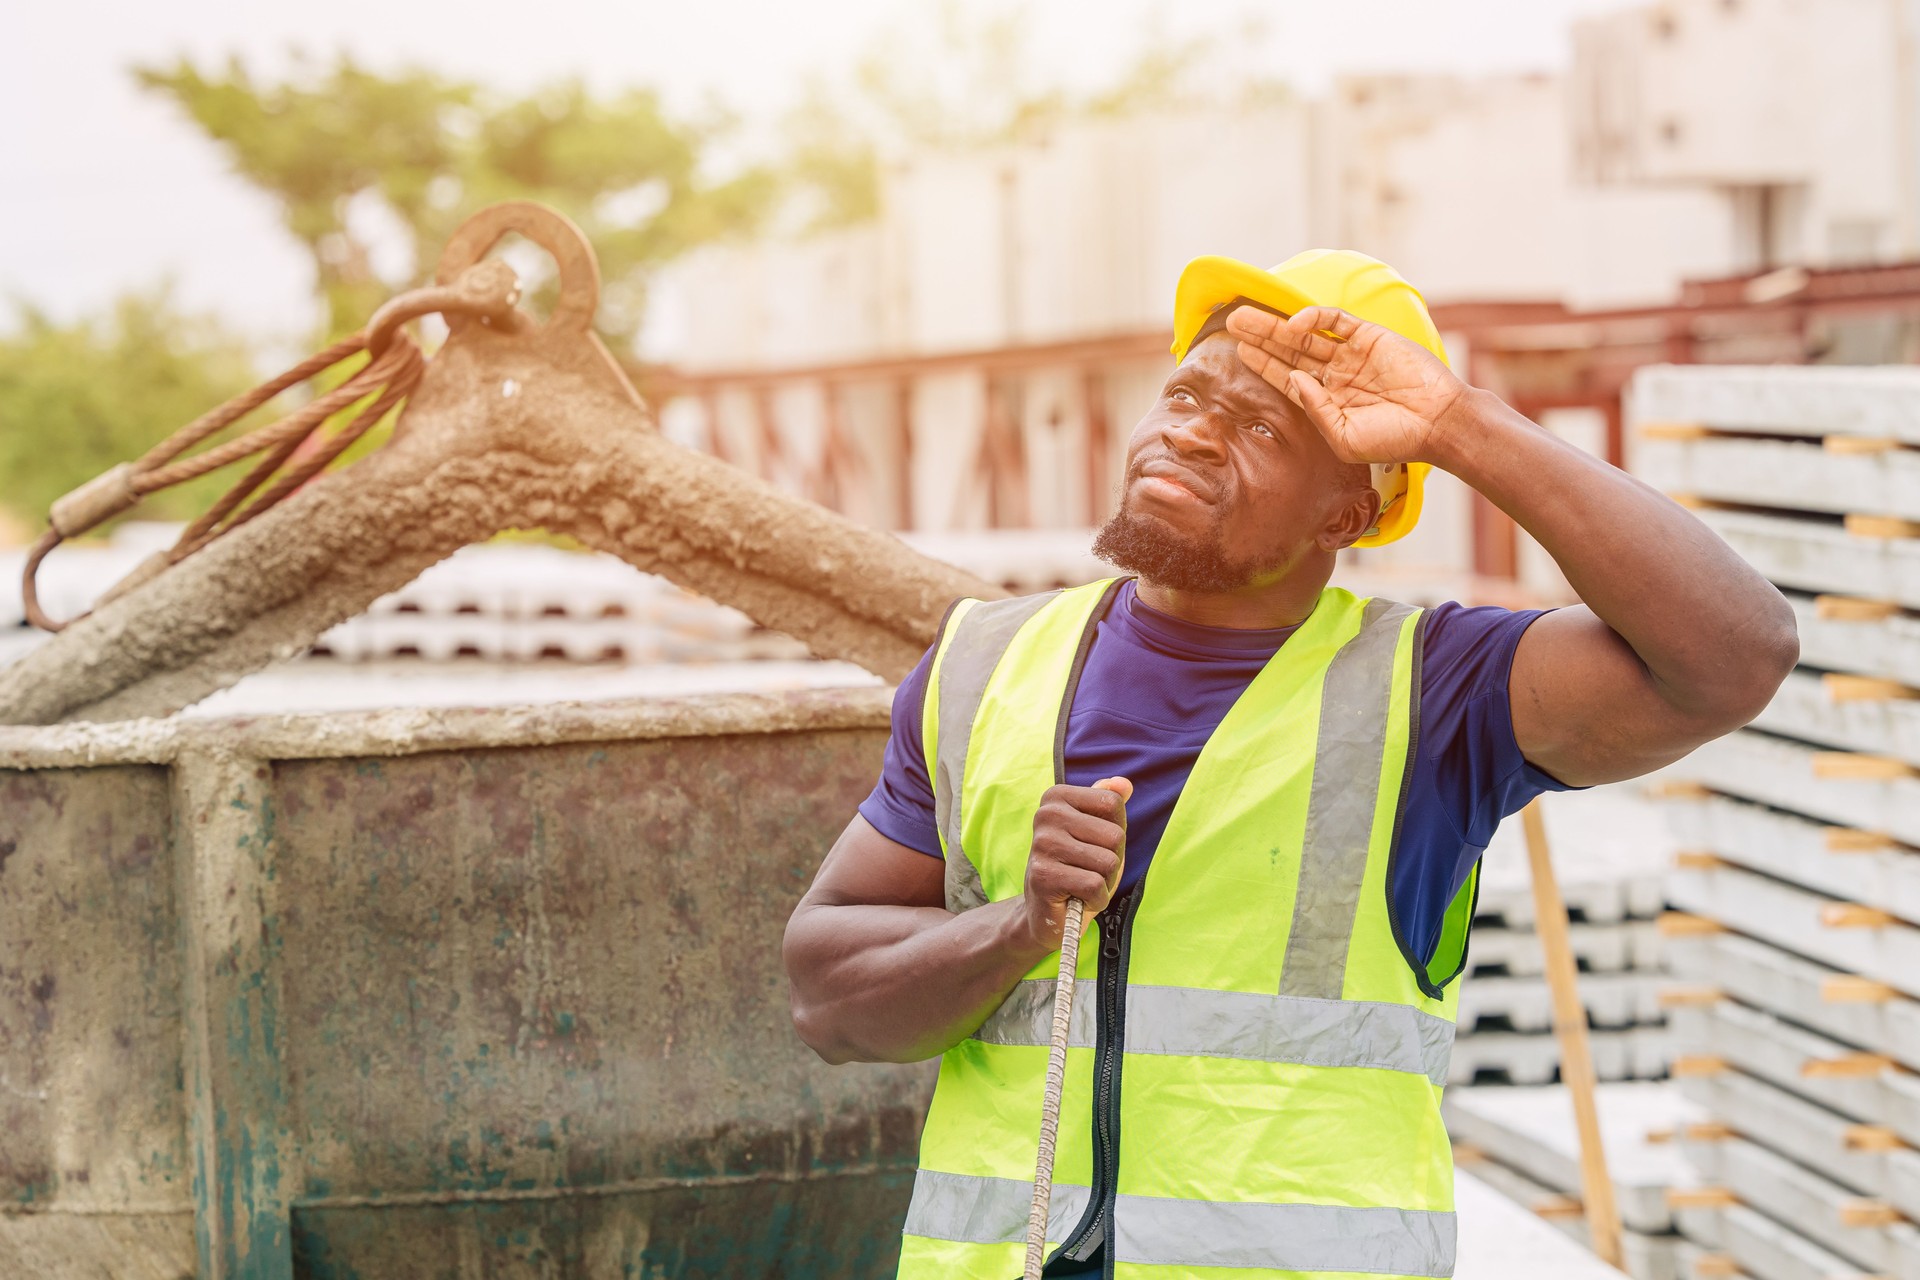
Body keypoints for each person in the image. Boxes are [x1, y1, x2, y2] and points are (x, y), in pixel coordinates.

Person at [782, 250, 1797, 1279]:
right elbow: (826, 998)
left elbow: (1737, 656)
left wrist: (1457, 425)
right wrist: (1018, 929)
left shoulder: (1433, 692)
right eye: (1185, 393)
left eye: (1260, 427)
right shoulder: (983, 664)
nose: (1191, 431)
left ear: (1344, 515)